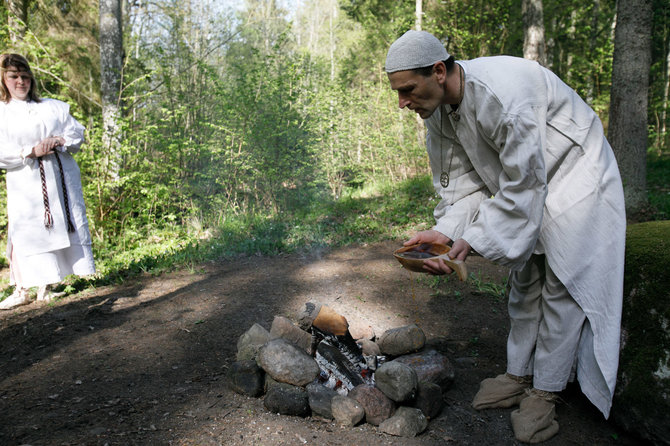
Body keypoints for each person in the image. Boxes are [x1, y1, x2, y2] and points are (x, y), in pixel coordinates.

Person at [385, 30, 625, 443]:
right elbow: (464, 188)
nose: (402, 102)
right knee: (525, 280)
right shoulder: (439, 114)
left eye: (407, 89)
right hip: (528, 183)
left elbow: (522, 186)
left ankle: (545, 392)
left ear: (438, 71)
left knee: (560, 286)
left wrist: (472, 241)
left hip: (577, 179)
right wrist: (444, 233)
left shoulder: (504, 92)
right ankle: (517, 374)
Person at [0, 53, 95, 310]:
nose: (21, 81)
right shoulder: (2, 112)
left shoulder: (52, 106)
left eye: (25, 76)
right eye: (14, 76)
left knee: (58, 225)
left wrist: (60, 141)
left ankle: (47, 286)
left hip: (60, 177)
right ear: (3, 79)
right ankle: (21, 288)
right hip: (26, 180)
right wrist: (30, 150)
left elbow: (76, 133)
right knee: (26, 229)